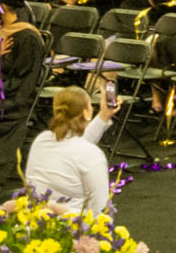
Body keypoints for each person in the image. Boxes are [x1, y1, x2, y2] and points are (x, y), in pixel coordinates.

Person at [22, 81, 116, 216]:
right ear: (86, 113)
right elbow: (100, 208)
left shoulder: (41, 140)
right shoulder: (90, 153)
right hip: (73, 229)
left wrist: (104, 115)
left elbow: (73, 146)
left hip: (36, 223)